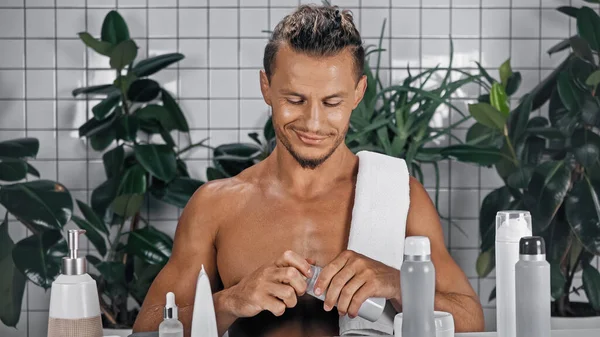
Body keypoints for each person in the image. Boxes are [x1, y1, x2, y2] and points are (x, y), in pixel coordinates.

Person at [132, 4, 485, 337]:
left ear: (358, 93)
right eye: (295, 100)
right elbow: (146, 328)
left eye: (332, 102)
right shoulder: (216, 206)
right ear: (266, 87)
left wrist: (398, 284)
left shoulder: (399, 196)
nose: (313, 123)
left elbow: (471, 319)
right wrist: (231, 301)